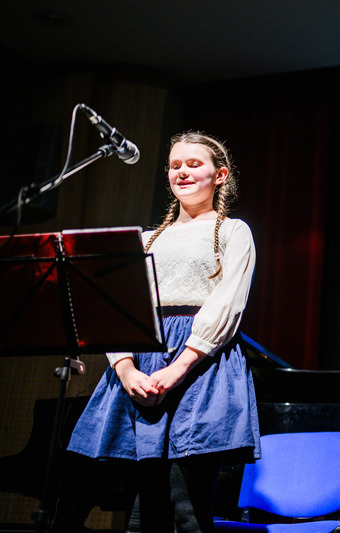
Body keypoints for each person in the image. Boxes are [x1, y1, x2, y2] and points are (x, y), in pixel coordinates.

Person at [58, 131, 259, 532]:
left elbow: (228, 304)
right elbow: (119, 309)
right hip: (141, 359)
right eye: (174, 165)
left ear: (219, 175)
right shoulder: (146, 239)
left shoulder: (233, 231)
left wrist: (179, 367)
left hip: (201, 365)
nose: (182, 171)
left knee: (188, 508)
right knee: (139, 511)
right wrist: (125, 369)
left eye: (194, 164)